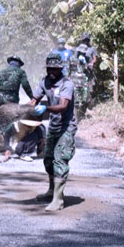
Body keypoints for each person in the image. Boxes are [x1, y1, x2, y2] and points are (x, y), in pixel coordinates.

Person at [30, 53, 77, 212]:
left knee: (60, 160)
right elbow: (34, 99)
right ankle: (51, 191)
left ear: (60, 69)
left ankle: (58, 199)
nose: (51, 72)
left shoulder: (66, 84)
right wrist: (28, 108)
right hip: (54, 126)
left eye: (55, 69)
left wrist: (46, 109)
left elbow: (63, 106)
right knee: (48, 160)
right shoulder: (44, 81)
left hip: (66, 127)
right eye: (49, 68)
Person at [76, 32, 99, 101]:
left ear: (89, 40)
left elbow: (95, 58)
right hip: (80, 70)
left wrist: (91, 63)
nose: (86, 41)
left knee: (90, 88)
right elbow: (75, 58)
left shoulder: (92, 49)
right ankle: (79, 103)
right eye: (84, 40)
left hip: (89, 70)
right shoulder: (78, 48)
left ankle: (88, 104)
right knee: (79, 87)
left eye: (87, 40)